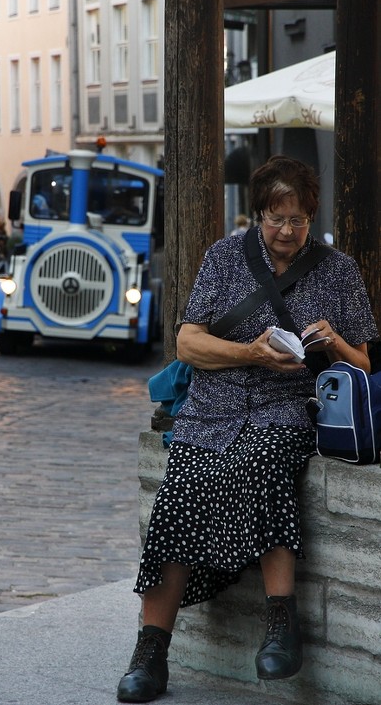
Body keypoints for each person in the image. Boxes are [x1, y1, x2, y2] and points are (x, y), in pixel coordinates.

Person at [117, 155, 379, 703]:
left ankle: (282, 626)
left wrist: (334, 344)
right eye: (276, 219)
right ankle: (151, 651)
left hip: (288, 405)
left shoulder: (338, 271)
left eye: (298, 220)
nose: (287, 231)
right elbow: (188, 342)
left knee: (263, 462)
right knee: (179, 493)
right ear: (258, 213)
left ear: (311, 216)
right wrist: (251, 353)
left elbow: (365, 366)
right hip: (213, 407)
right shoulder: (224, 256)